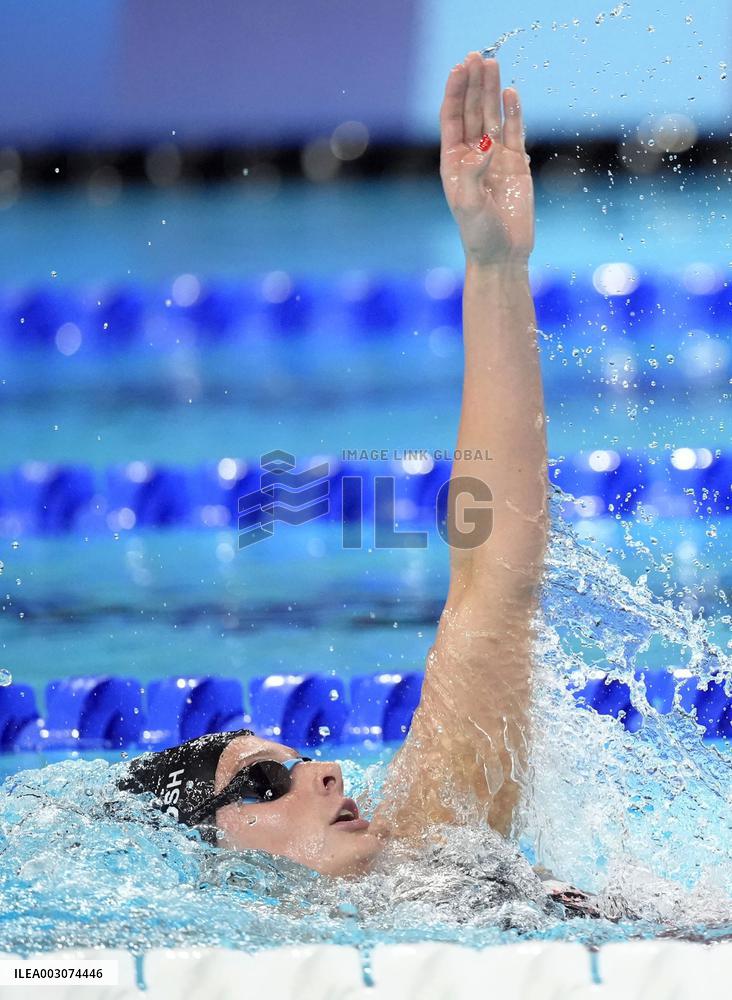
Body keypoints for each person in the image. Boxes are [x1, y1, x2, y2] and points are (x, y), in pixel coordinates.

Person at [120, 51, 574, 904]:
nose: (325, 771)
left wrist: (495, 266)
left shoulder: (430, 845)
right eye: (264, 784)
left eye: (293, 764)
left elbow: (493, 578)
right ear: (203, 861)